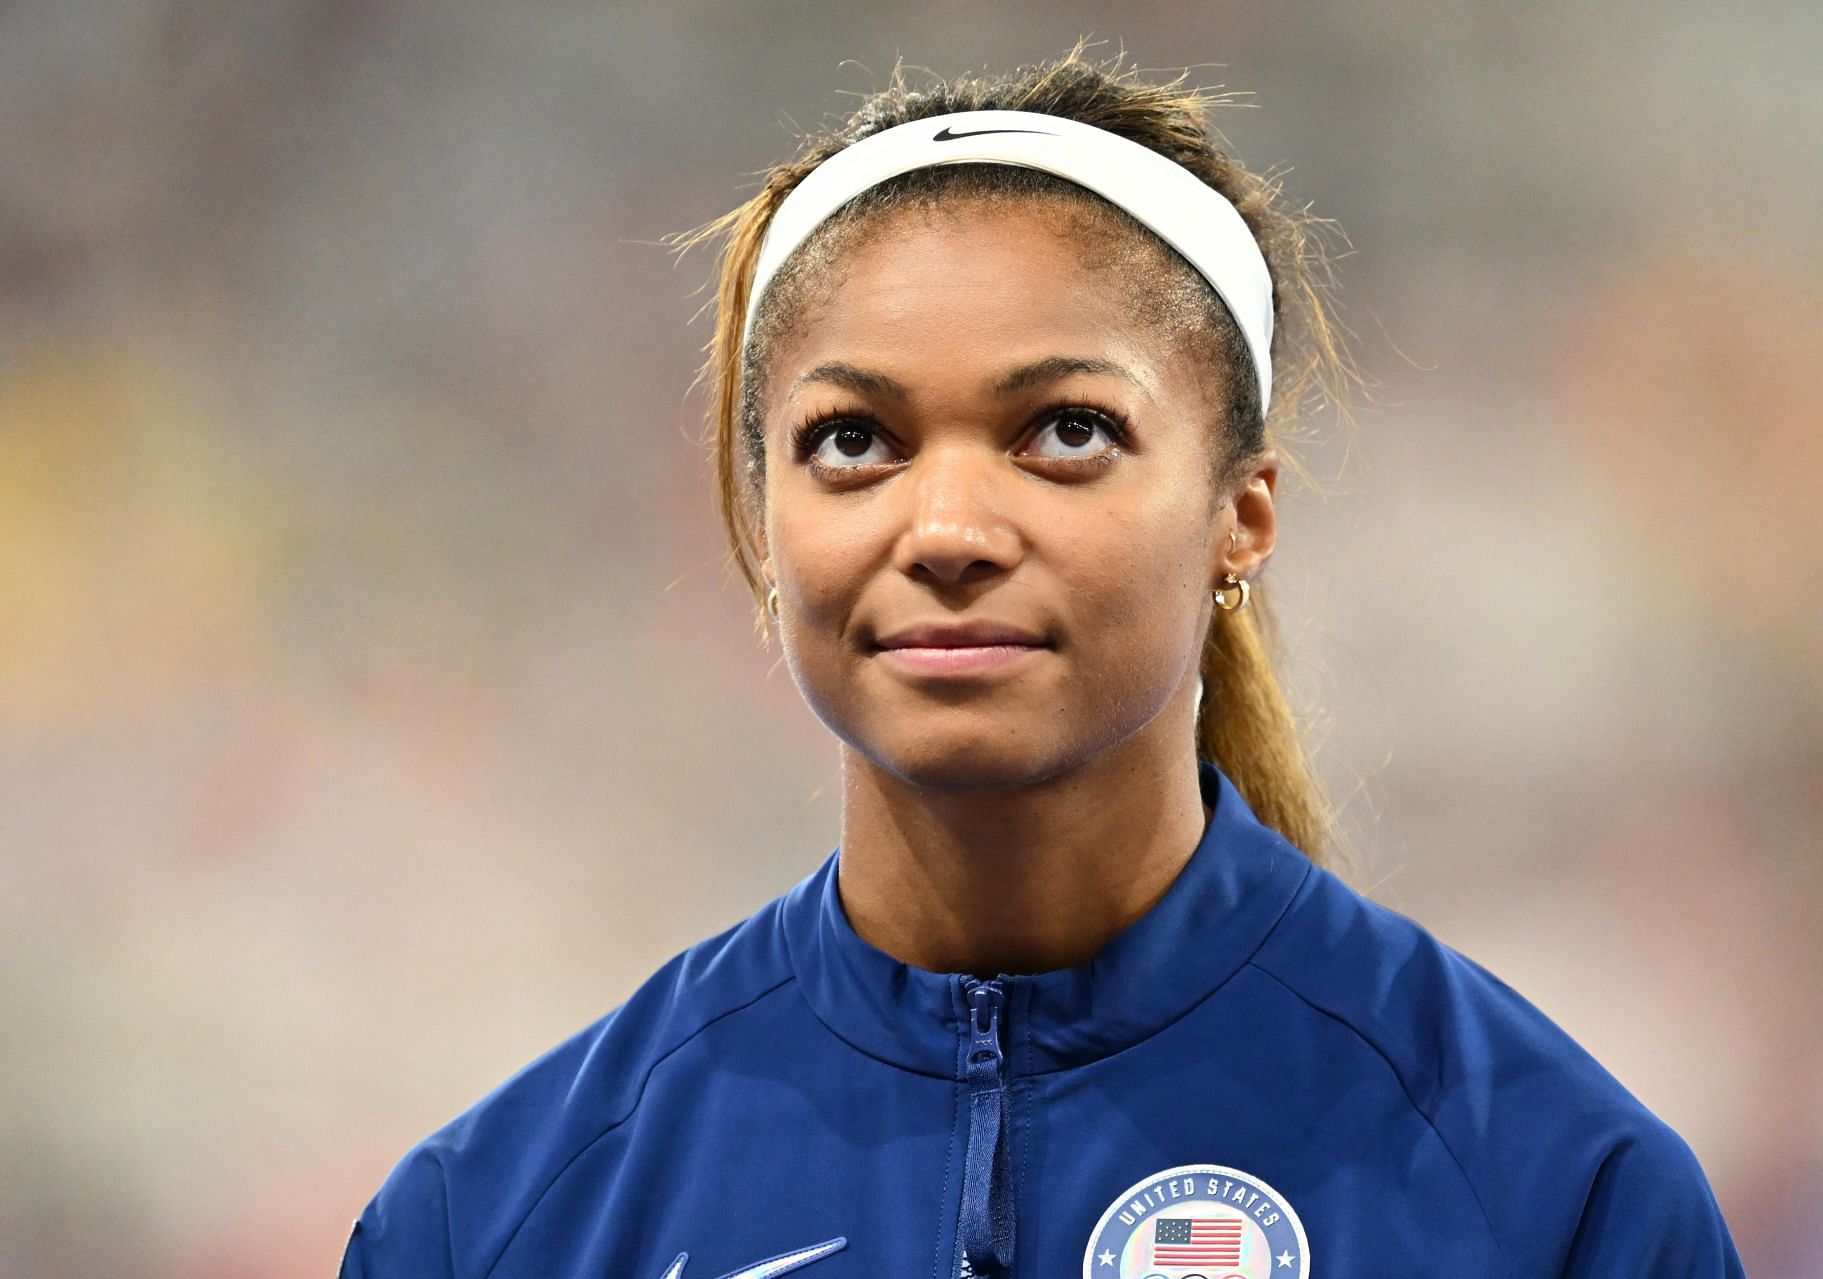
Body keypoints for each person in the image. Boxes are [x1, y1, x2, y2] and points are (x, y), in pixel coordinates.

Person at [340, 50, 1745, 1279]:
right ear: (759, 521)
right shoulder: (498, 1221)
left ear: (1240, 515)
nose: (947, 528)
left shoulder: (1556, 1196)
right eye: (853, 441)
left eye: (1066, 432)